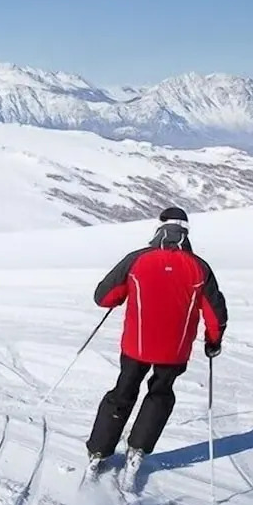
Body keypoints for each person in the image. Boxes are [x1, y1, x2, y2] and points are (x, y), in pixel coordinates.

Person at [85, 206, 228, 482]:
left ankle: (99, 452)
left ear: (159, 227)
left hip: (135, 346)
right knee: (160, 394)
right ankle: (138, 450)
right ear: (186, 232)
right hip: (175, 351)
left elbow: (104, 297)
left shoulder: (137, 259)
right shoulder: (199, 267)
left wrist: (125, 294)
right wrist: (213, 341)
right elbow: (215, 313)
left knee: (123, 392)